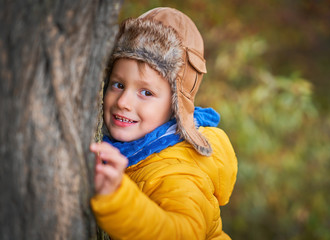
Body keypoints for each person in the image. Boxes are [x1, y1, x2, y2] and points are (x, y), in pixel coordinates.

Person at [90, 7, 237, 240]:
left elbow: (180, 233)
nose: (123, 102)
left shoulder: (177, 169)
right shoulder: (137, 151)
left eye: (146, 92)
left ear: (176, 106)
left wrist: (117, 196)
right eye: (118, 84)